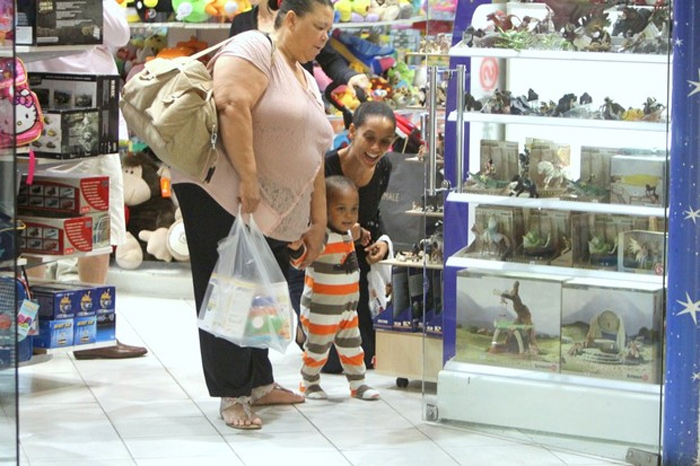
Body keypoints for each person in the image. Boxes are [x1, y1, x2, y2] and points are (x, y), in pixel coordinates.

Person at [171, 0, 335, 430]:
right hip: (223, 194)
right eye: (318, 27)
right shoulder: (253, 47)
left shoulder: (304, 75)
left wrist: (316, 220)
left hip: (273, 210)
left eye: (329, 31)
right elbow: (230, 103)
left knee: (264, 289)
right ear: (292, 19)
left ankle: (259, 381)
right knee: (230, 288)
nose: (324, 37)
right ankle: (232, 393)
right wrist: (248, 178)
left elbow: (316, 153)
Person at [25, 0, 147, 360]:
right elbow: (118, 31)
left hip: (34, 110)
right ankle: (93, 333)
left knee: (36, 221)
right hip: (88, 112)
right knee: (97, 220)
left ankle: (31, 332)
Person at [303, 100, 396, 373]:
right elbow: (309, 222)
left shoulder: (384, 168)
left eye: (384, 142)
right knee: (331, 363)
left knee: (368, 356)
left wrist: (381, 242)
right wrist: (345, 232)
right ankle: (303, 327)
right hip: (319, 267)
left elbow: (372, 217)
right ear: (352, 131)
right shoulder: (325, 166)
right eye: (369, 138)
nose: (375, 148)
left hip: (355, 270)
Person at [289, 176, 380, 401]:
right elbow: (300, 261)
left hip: (347, 309)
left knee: (354, 348)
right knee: (317, 350)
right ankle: (309, 382)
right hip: (320, 310)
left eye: (354, 209)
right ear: (324, 209)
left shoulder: (347, 233)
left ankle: (357, 384)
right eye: (341, 209)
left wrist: (361, 235)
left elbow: (355, 233)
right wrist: (296, 249)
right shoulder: (321, 237)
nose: (349, 216)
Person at [229, 0, 370, 94]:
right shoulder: (241, 22)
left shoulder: (303, 15)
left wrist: (350, 76)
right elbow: (234, 69)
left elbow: (329, 59)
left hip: (298, 97)